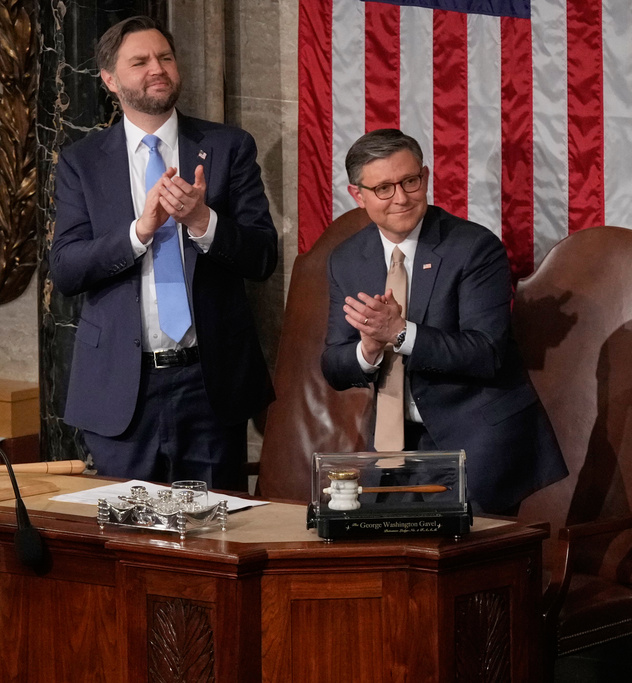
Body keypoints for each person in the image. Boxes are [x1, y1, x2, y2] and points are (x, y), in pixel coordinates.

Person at [49, 16, 278, 491]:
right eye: (140, 61)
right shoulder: (81, 161)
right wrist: (139, 231)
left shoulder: (227, 146)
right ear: (110, 80)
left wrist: (202, 221)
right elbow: (67, 269)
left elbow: (262, 258)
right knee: (124, 542)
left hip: (208, 383)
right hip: (121, 390)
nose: (158, 68)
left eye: (165, 58)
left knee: (217, 538)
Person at [321, 128, 567, 514]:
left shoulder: (473, 247)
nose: (401, 198)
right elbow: (334, 364)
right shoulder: (347, 259)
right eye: (384, 188)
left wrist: (398, 333)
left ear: (426, 177)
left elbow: (486, 352)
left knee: (463, 569)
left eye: (410, 181)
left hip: (474, 441)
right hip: (393, 449)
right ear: (358, 195)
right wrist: (367, 348)